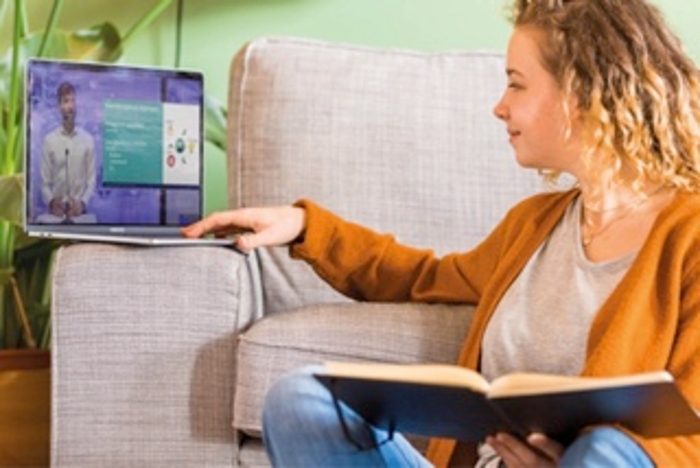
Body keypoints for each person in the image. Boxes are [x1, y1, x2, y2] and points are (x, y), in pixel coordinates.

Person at [183, 0, 700, 465]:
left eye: (516, 83)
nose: (500, 106)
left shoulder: (690, 234)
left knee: (606, 453)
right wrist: (305, 226)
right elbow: (424, 277)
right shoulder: (533, 225)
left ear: (584, 93)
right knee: (302, 400)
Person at [39, 81, 97, 224]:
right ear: (59, 107)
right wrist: (52, 202)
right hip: (56, 216)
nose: (70, 106)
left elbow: (92, 182)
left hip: (81, 216)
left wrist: (82, 203)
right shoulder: (49, 140)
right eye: (66, 101)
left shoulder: (88, 140)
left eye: (73, 101)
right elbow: (44, 182)